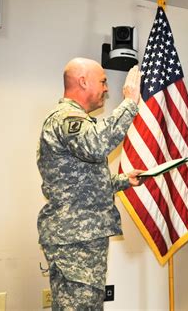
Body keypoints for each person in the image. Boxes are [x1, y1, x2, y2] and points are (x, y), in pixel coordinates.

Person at [37, 57, 145, 309]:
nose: (107, 88)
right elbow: (95, 146)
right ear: (83, 81)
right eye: (104, 82)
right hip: (75, 241)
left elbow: (78, 181)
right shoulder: (66, 118)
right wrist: (129, 102)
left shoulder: (76, 120)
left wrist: (122, 181)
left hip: (81, 239)